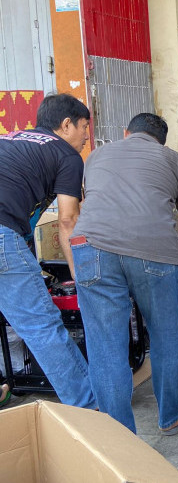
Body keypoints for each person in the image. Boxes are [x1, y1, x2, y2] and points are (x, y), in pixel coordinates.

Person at [71, 113, 178, 434]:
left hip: (90, 247)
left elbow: (90, 203)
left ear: (126, 133)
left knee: (106, 345)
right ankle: (171, 416)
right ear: (161, 141)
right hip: (153, 250)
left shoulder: (96, 155)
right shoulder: (174, 160)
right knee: (165, 332)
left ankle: (120, 438)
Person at [0, 93, 96, 409]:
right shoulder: (66, 156)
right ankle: (89, 407)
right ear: (66, 124)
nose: (85, 137)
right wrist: (81, 277)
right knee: (41, 326)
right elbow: (68, 220)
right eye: (84, 127)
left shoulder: (11, 138)